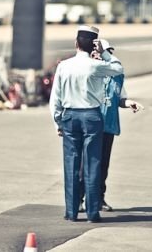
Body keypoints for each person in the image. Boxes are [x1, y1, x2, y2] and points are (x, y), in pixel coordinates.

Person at [49, 25, 124, 223]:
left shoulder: (64, 66)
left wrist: (58, 121)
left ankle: (72, 212)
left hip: (70, 116)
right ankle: (92, 213)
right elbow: (118, 69)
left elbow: (55, 98)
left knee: (71, 165)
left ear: (76, 43)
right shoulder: (95, 65)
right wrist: (104, 54)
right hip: (92, 116)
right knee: (92, 164)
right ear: (94, 45)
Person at [79, 39, 142, 213]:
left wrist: (129, 103)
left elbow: (120, 97)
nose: (106, 55)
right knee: (85, 164)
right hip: (90, 124)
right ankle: (79, 198)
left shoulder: (116, 75)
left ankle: (99, 199)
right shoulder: (89, 72)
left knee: (103, 164)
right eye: (102, 51)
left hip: (108, 125)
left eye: (108, 52)